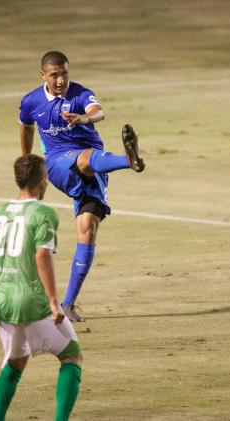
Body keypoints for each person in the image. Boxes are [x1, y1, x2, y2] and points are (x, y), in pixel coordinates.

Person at [19, 51, 145, 321]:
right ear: (44, 75)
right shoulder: (31, 101)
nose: (61, 80)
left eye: (64, 73)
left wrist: (84, 118)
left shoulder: (80, 93)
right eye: (54, 75)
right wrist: (27, 157)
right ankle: (128, 160)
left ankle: (68, 304)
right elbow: (26, 126)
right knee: (85, 158)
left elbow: (98, 112)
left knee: (87, 229)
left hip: (96, 165)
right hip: (57, 163)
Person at [0, 154, 82, 420]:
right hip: (32, 302)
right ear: (43, 181)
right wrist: (55, 302)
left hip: (2, 303)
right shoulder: (44, 214)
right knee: (71, 357)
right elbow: (42, 255)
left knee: (15, 362)